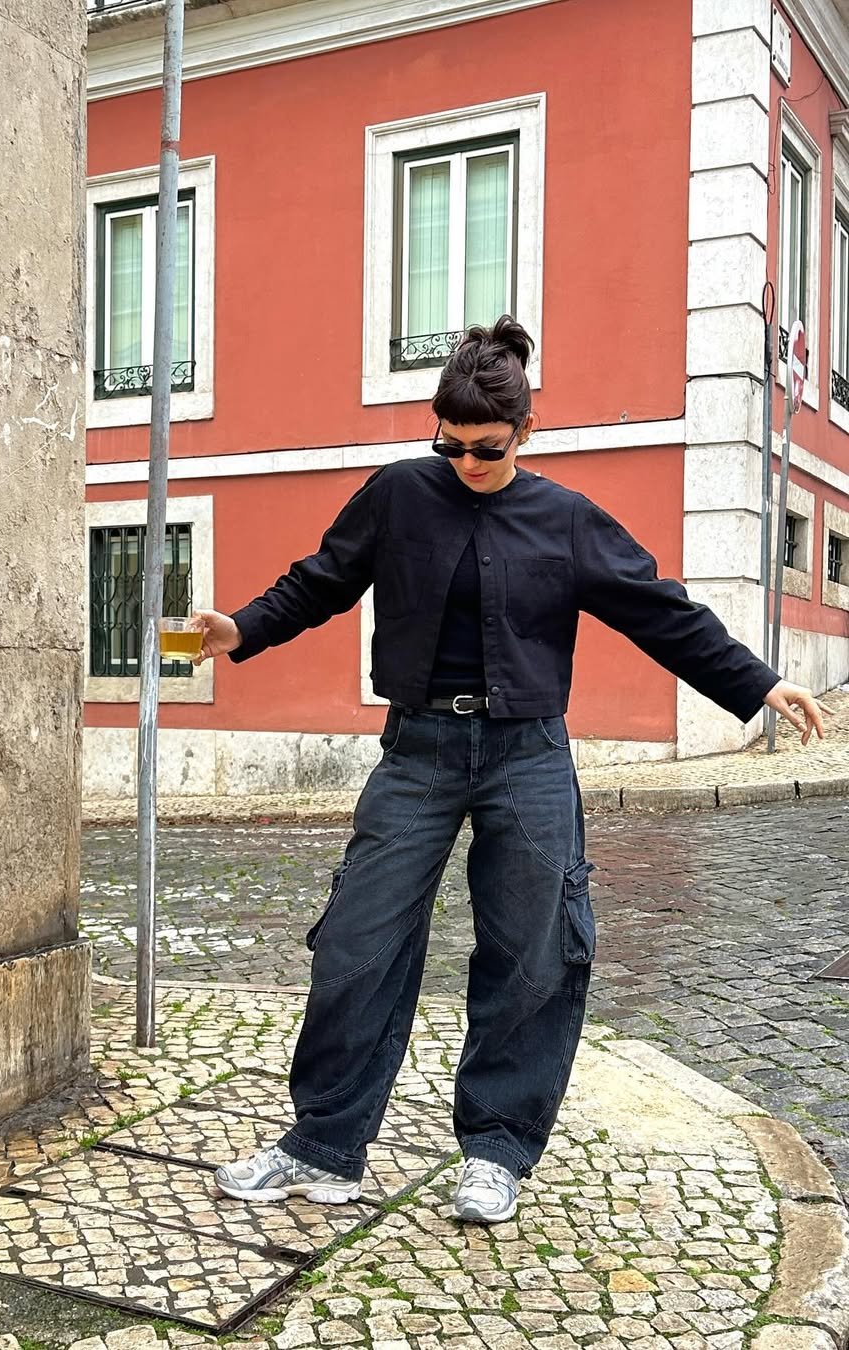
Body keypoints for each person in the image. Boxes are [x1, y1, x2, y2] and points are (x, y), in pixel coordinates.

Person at [191, 316, 828, 1225]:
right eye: (447, 446)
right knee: (356, 942)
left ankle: (497, 1150)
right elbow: (323, 578)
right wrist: (244, 627)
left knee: (532, 951)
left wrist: (759, 683)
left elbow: (662, 613)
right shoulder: (399, 495)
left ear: (525, 432)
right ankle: (323, 1146)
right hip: (417, 751)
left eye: (485, 449)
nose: (465, 464)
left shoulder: (565, 520)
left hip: (525, 754)